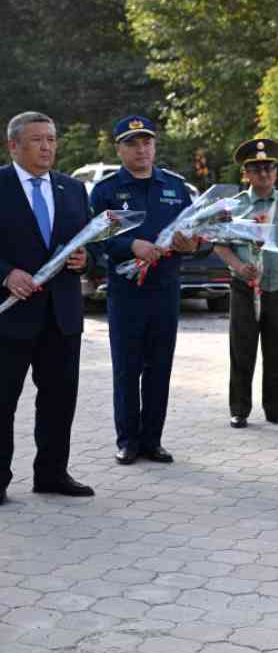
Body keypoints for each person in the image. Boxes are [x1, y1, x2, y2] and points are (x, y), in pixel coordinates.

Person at [91, 115, 199, 466]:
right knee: (127, 366)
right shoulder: (107, 190)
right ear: (119, 148)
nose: (141, 149)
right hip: (126, 293)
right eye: (132, 143)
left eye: (147, 142)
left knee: (160, 366)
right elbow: (95, 241)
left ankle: (153, 439)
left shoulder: (174, 187)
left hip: (165, 289)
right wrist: (131, 245)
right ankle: (128, 440)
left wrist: (190, 244)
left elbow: (195, 234)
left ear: (154, 145)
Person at [0, 112, 94, 504]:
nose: (47, 147)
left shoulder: (72, 189)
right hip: (12, 315)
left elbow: (89, 243)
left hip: (63, 314)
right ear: (14, 146)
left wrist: (84, 259)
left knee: (58, 399)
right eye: (37, 140)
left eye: (52, 140)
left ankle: (52, 473)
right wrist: (5, 274)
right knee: (3, 400)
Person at [214, 138, 278, 429]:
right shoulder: (234, 207)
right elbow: (220, 245)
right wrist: (239, 267)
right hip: (244, 288)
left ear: (276, 172)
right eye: (257, 169)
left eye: (269, 168)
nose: (264, 174)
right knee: (242, 349)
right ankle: (239, 409)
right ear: (246, 174)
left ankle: (277, 408)